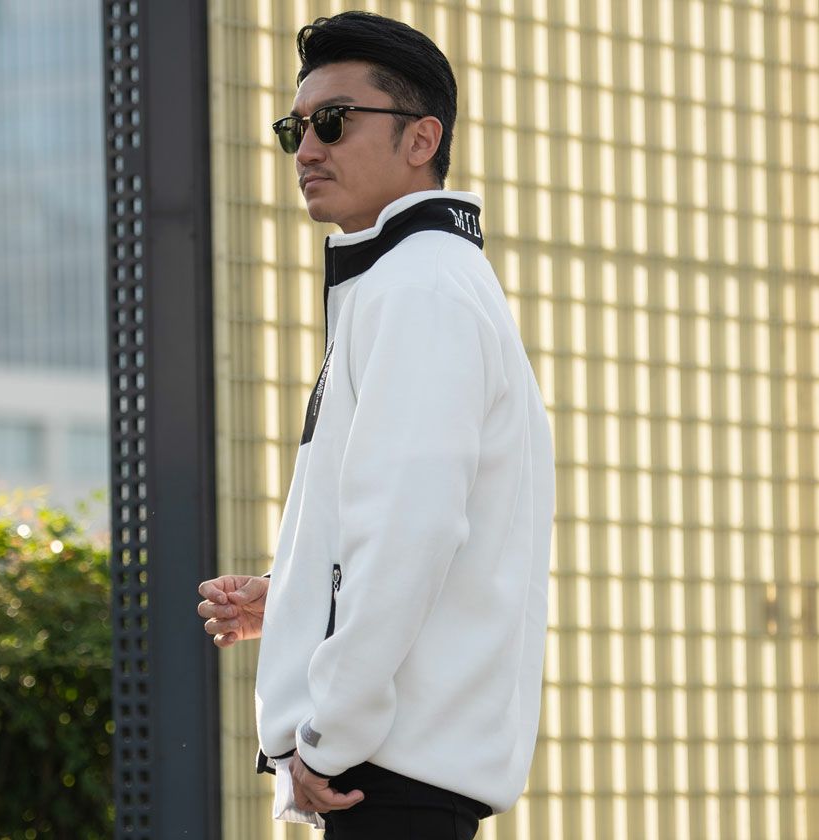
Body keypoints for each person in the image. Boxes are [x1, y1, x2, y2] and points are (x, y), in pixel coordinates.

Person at [197, 11, 554, 840]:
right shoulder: (416, 280)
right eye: (294, 128)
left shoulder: (418, 288)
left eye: (333, 121)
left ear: (422, 138)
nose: (306, 149)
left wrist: (331, 734)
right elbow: (406, 525)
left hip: (386, 781)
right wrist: (294, 596)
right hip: (396, 778)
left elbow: (411, 529)